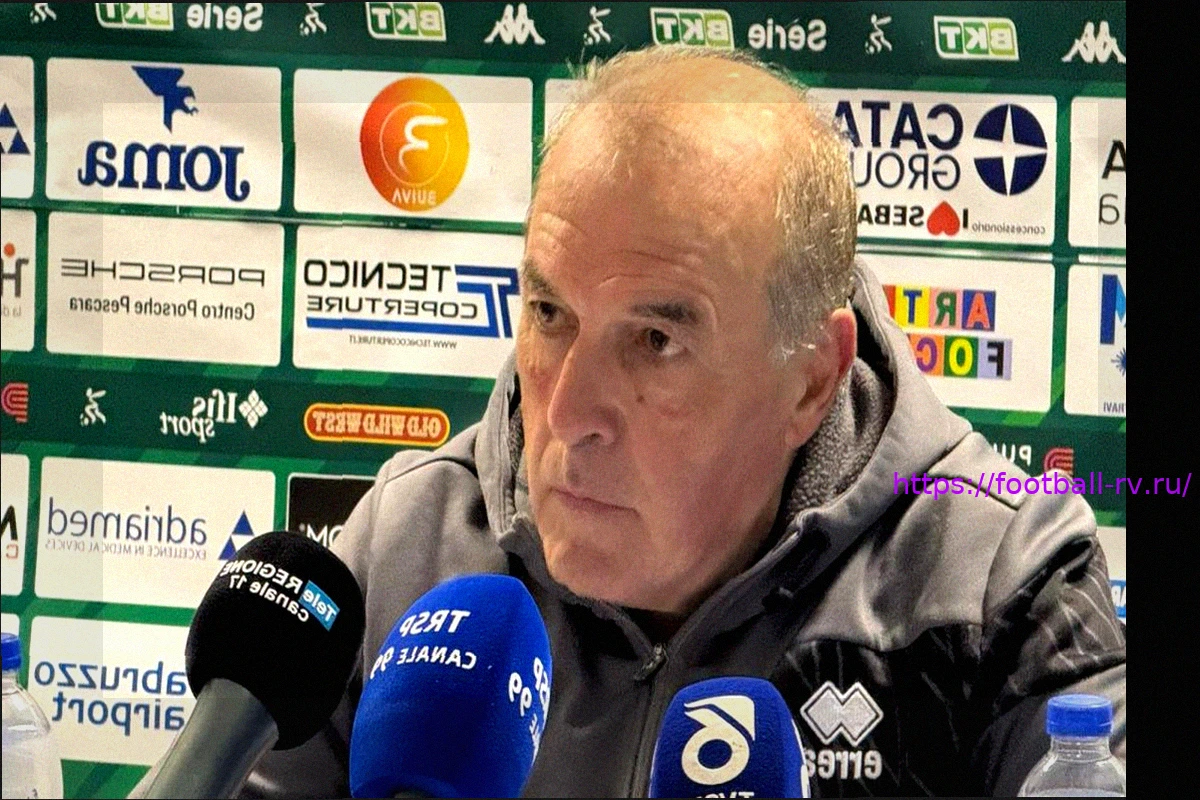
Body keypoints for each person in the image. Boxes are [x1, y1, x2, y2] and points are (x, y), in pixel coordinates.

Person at [245, 45, 1125, 797]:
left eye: (655, 341)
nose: (567, 412)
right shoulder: (407, 548)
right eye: (550, 314)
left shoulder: (998, 584)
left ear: (810, 381)